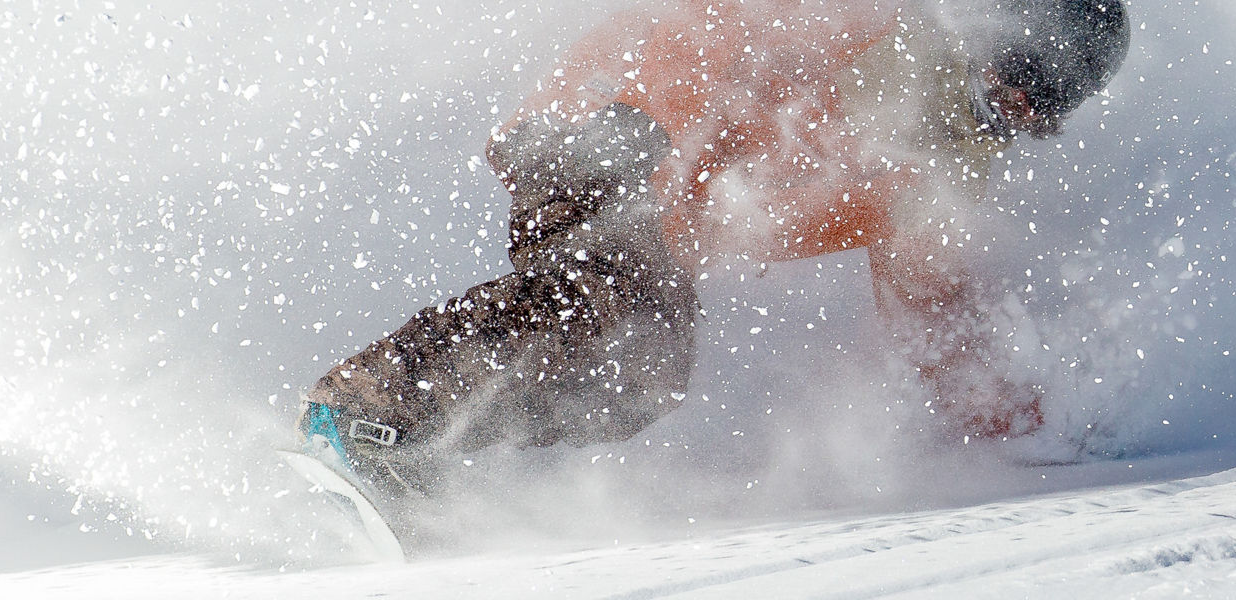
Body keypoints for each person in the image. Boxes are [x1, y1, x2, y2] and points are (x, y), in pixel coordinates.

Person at [297, 0, 1128, 505]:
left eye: (1049, 100)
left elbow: (935, 316)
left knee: (642, 375)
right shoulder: (880, 25)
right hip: (621, 116)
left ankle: (419, 445)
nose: (1020, 105)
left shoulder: (947, 173)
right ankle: (363, 414)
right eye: (1025, 71)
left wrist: (1020, 432)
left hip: (658, 199)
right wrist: (665, 154)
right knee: (616, 312)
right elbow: (729, 33)